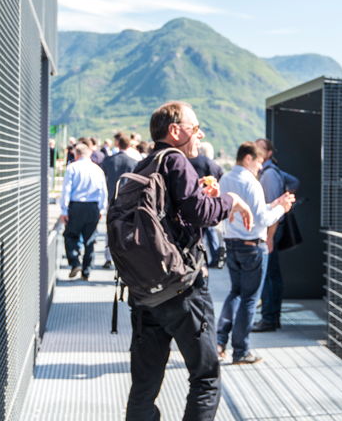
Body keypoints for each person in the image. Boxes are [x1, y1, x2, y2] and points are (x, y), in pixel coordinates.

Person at [126, 101, 252, 421]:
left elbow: (174, 215)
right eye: (195, 128)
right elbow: (201, 214)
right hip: (182, 291)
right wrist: (231, 201)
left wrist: (202, 200)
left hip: (144, 291)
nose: (200, 134)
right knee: (206, 378)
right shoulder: (177, 162)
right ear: (175, 130)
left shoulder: (143, 166)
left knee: (144, 385)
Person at [216, 142, 295, 365]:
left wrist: (273, 204)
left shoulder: (225, 179)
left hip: (232, 243)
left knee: (235, 293)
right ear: (249, 159)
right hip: (253, 246)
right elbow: (262, 219)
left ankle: (220, 341)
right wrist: (282, 208)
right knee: (250, 299)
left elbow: (247, 210)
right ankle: (241, 350)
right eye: (259, 162)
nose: (260, 167)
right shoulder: (252, 183)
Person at [251, 139, 300, 332]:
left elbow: (270, 212)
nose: (256, 150)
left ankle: (269, 318)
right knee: (272, 275)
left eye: (261, 147)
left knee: (269, 276)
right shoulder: (271, 171)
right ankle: (272, 317)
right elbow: (295, 182)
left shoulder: (268, 175)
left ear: (269, 152)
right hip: (273, 229)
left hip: (270, 230)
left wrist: (269, 236)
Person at [60, 143, 108, 281]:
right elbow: (103, 190)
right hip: (93, 207)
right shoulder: (97, 169)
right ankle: (86, 272)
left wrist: (64, 209)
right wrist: (101, 209)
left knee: (70, 235)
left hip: (76, 206)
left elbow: (66, 190)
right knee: (90, 240)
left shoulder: (72, 168)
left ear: (77, 154)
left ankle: (75, 262)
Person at [100, 136, 138, 269]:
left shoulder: (109, 161)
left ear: (118, 144)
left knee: (110, 228)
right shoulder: (133, 162)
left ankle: (108, 257)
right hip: (128, 200)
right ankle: (125, 258)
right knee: (127, 229)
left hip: (112, 198)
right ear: (129, 146)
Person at [189, 142, 226, 268]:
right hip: (209, 201)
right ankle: (215, 257)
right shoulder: (213, 165)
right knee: (210, 229)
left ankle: (195, 258)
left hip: (192, 202)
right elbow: (222, 177)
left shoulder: (189, 162)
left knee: (196, 233)